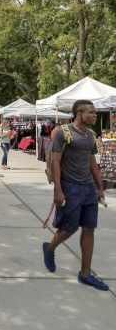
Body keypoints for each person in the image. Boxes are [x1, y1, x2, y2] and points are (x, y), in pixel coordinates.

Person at [42, 100, 109, 291]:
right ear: (80, 114)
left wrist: (100, 186)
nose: (95, 115)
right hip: (70, 187)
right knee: (69, 229)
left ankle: (85, 274)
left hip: (88, 188)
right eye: (92, 112)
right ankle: (50, 248)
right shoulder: (63, 132)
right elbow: (56, 161)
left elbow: (92, 162)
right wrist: (58, 189)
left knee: (89, 228)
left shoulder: (90, 135)